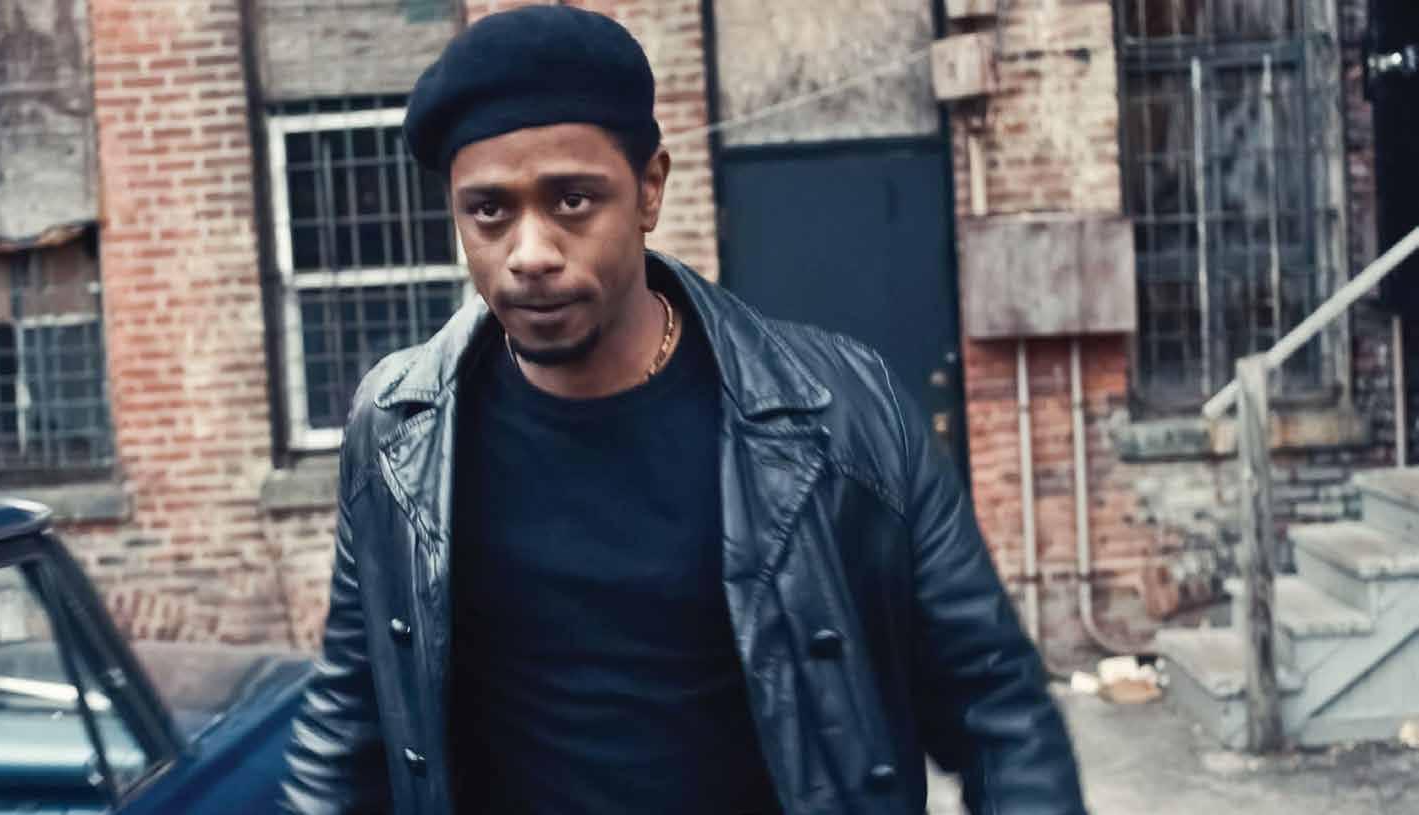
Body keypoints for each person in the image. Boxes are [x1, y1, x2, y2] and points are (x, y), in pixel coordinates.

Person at [277, 6, 1085, 815]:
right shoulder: (398, 428)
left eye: (572, 200)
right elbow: (348, 723)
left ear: (649, 189)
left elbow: (996, 708)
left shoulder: (842, 413)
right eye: (489, 210)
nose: (530, 253)